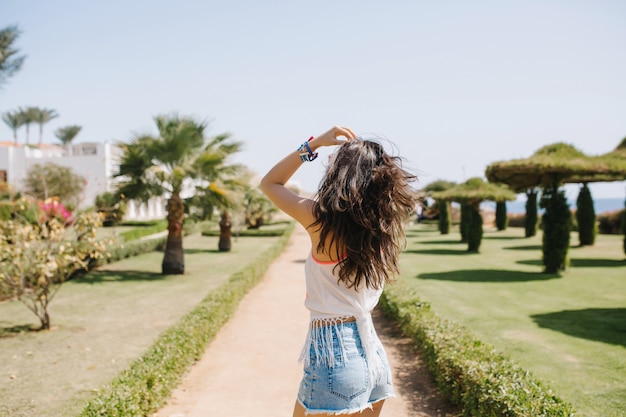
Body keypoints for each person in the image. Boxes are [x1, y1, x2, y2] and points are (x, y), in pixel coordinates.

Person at [261, 126, 417, 416]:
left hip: (334, 354)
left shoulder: (320, 221)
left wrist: (314, 144)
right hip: (372, 354)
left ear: (339, 175)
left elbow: (270, 183)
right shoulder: (381, 230)